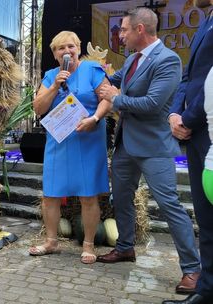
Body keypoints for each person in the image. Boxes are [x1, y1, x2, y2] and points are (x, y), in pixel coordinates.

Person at [97, 7, 201, 295]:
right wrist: (90, 71)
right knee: (122, 198)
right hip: (125, 145)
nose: (121, 35)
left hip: (154, 147)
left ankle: (192, 270)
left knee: (170, 206)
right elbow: (112, 79)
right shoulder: (132, 59)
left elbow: (153, 104)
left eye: (124, 30)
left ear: (140, 30)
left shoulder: (168, 61)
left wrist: (116, 98)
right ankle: (125, 248)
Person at [29, 31, 112, 264]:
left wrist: (94, 118)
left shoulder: (93, 70)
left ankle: (88, 245)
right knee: (51, 194)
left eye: (70, 46)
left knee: (88, 195)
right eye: (60, 48)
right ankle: (51, 241)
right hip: (59, 142)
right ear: (55, 55)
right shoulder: (51, 76)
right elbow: (38, 107)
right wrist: (55, 86)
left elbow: (108, 98)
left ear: (78, 48)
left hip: (88, 138)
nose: (66, 51)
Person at [163, 1, 213, 303]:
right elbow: (188, 78)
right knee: (206, 219)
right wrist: (174, 115)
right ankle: (207, 291)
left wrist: (190, 119)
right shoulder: (202, 26)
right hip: (194, 133)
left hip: (207, 128)